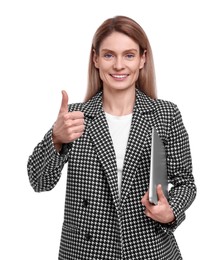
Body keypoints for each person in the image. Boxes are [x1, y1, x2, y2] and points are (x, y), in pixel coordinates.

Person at [27, 15, 197, 260]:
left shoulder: (166, 114)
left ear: (142, 59)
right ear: (95, 59)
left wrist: (171, 212)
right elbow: (39, 181)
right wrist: (56, 139)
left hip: (149, 250)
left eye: (129, 55)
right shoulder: (74, 118)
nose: (119, 65)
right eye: (109, 55)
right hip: (86, 252)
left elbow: (185, 183)